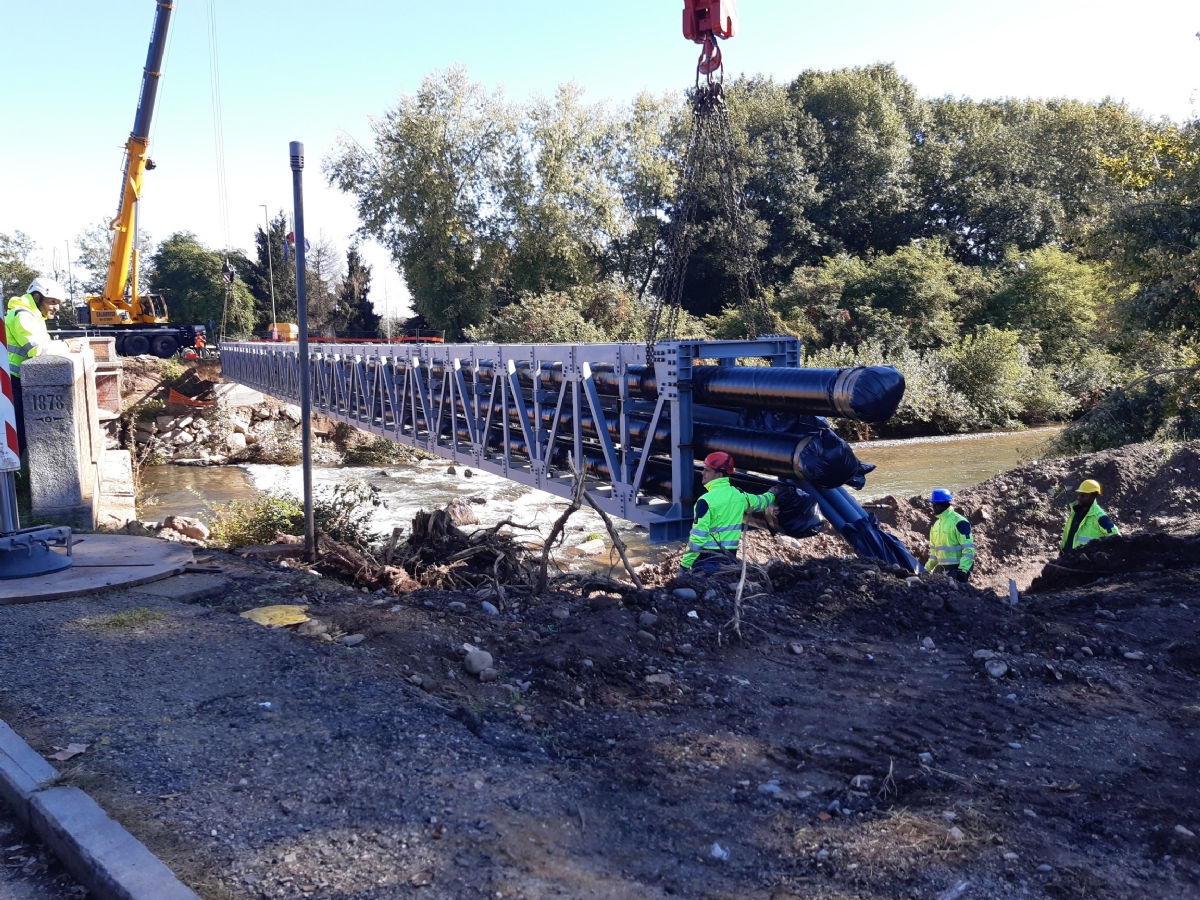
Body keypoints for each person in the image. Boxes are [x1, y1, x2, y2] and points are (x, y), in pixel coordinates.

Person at [679, 452, 776, 575]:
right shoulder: (739, 496)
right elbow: (761, 502)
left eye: (707, 470)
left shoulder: (705, 501)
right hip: (729, 560)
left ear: (718, 475)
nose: (702, 473)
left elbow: (698, 539)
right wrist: (773, 493)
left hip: (706, 560)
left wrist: (684, 566)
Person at [5, 278, 66, 453]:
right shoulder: (22, 315)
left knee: (21, 433)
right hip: (11, 382)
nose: (56, 308)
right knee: (16, 434)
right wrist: (69, 346)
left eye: (58, 303)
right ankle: (13, 475)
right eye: (52, 302)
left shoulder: (34, 316)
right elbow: (37, 350)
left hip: (16, 380)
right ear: (38, 297)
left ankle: (17, 473)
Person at [924, 488, 975, 582]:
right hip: (942, 569)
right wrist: (925, 570)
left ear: (937, 506)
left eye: (934, 505)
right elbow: (934, 554)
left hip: (957, 569)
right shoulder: (936, 525)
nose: (933, 508)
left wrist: (962, 571)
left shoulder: (959, 522)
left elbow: (968, 549)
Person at [1061, 479, 1119, 551]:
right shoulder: (1075, 511)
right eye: (1079, 494)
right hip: (1067, 557)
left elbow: (1116, 537)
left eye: (1083, 495)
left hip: (1084, 560)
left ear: (1093, 495)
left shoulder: (1099, 516)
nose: (1079, 498)